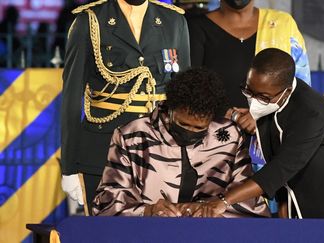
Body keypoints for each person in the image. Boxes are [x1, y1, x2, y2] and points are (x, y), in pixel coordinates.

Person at [197, 48, 324, 224]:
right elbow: (278, 162)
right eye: (249, 90)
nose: (254, 100)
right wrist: (284, 208)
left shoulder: (310, 115)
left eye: (263, 96)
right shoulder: (272, 100)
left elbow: (279, 170)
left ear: (286, 91)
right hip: (313, 194)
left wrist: (223, 200)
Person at [61, 0, 190, 214]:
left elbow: (185, 94)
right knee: (105, 232)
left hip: (160, 150)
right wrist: (69, 167)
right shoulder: (89, 20)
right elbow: (72, 98)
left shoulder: (174, 20)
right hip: (103, 150)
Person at [92, 68, 270, 218]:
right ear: (170, 110)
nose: (190, 132)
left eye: (199, 128)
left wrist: (211, 209)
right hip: (149, 234)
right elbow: (107, 202)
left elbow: (249, 201)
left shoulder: (229, 136)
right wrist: (148, 210)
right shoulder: (132, 135)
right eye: (183, 124)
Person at [187, 0, 310, 127]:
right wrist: (233, 115)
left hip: (274, 132)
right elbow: (190, 88)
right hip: (213, 136)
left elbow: (301, 87)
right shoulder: (194, 27)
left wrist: (260, 114)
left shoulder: (283, 24)